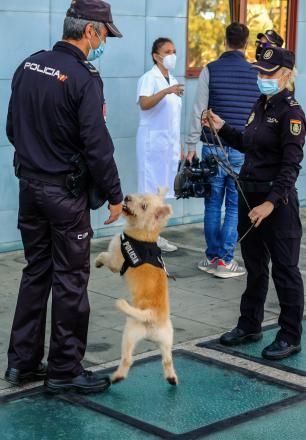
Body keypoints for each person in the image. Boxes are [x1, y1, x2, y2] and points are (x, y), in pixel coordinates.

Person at [5, 0, 123, 393]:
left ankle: (21, 364)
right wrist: (115, 195)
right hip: (64, 195)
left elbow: (11, 129)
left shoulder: (29, 65)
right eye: (104, 33)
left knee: (36, 271)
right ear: (89, 31)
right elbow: (97, 146)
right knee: (71, 280)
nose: (104, 40)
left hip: (30, 189)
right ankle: (64, 370)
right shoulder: (84, 77)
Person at [203, 47, 305, 360]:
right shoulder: (260, 105)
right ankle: (250, 324)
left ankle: (289, 335)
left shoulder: (292, 113)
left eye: (268, 73)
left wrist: (271, 204)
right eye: (260, 72)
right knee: (256, 267)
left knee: (285, 271)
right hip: (251, 198)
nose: (262, 78)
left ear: (286, 75)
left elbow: (291, 166)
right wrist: (222, 128)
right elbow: (249, 144)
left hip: (277, 203)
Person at [186, 23, 259, 278]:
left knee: (212, 205)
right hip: (241, 148)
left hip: (212, 148)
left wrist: (189, 145)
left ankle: (211, 257)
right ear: (246, 44)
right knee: (234, 205)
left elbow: (198, 110)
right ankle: (225, 261)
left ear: (225, 41)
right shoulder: (256, 73)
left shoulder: (210, 69)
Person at [136, 37, 184, 253]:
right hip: (151, 144)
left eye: (174, 51)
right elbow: (144, 103)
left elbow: (173, 118)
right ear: (156, 56)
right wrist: (165, 92)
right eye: (167, 51)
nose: (172, 55)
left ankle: (154, 235)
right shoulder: (149, 78)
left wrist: (179, 145)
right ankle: (144, 239)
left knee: (161, 191)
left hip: (168, 145)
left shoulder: (171, 79)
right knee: (149, 192)